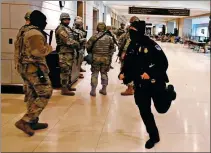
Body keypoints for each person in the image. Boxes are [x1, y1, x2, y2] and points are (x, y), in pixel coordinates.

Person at [119, 17, 177, 149]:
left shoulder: (151, 45)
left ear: (139, 31)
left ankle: (169, 93)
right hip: (140, 85)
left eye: (133, 30)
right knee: (144, 111)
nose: (131, 33)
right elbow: (128, 64)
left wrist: (150, 73)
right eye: (130, 30)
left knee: (161, 109)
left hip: (155, 82)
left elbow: (163, 63)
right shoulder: (131, 46)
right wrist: (123, 74)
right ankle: (154, 136)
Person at [14, 10, 53, 136]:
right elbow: (38, 52)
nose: (45, 23)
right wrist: (49, 48)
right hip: (34, 69)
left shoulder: (23, 30)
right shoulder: (35, 33)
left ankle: (33, 122)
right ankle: (25, 120)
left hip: (23, 68)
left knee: (32, 94)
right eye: (44, 21)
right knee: (45, 92)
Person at [86, 22, 115, 96]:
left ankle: (93, 91)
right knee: (104, 73)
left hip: (96, 58)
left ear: (97, 28)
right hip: (106, 58)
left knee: (94, 73)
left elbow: (88, 46)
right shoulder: (109, 38)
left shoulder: (94, 37)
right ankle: (104, 89)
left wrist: (91, 52)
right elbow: (113, 48)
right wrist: (108, 55)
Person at [55, 13, 80, 96]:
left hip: (70, 52)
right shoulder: (61, 29)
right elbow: (68, 40)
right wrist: (77, 43)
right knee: (65, 71)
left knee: (69, 70)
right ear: (61, 20)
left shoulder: (68, 28)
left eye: (68, 19)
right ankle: (64, 89)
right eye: (65, 19)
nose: (67, 21)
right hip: (64, 53)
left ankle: (68, 86)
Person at [118, 25, 134, 96]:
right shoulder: (139, 35)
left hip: (127, 56)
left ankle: (130, 89)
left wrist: (122, 53)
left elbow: (120, 44)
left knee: (127, 71)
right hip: (135, 56)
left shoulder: (125, 35)